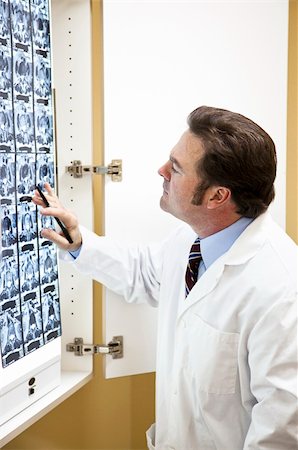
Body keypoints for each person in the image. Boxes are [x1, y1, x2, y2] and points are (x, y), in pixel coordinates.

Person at [33, 106, 297, 450]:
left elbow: (281, 432)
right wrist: (79, 242)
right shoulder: (193, 241)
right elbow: (145, 273)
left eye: (175, 168)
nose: (161, 171)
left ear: (217, 196)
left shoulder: (281, 288)